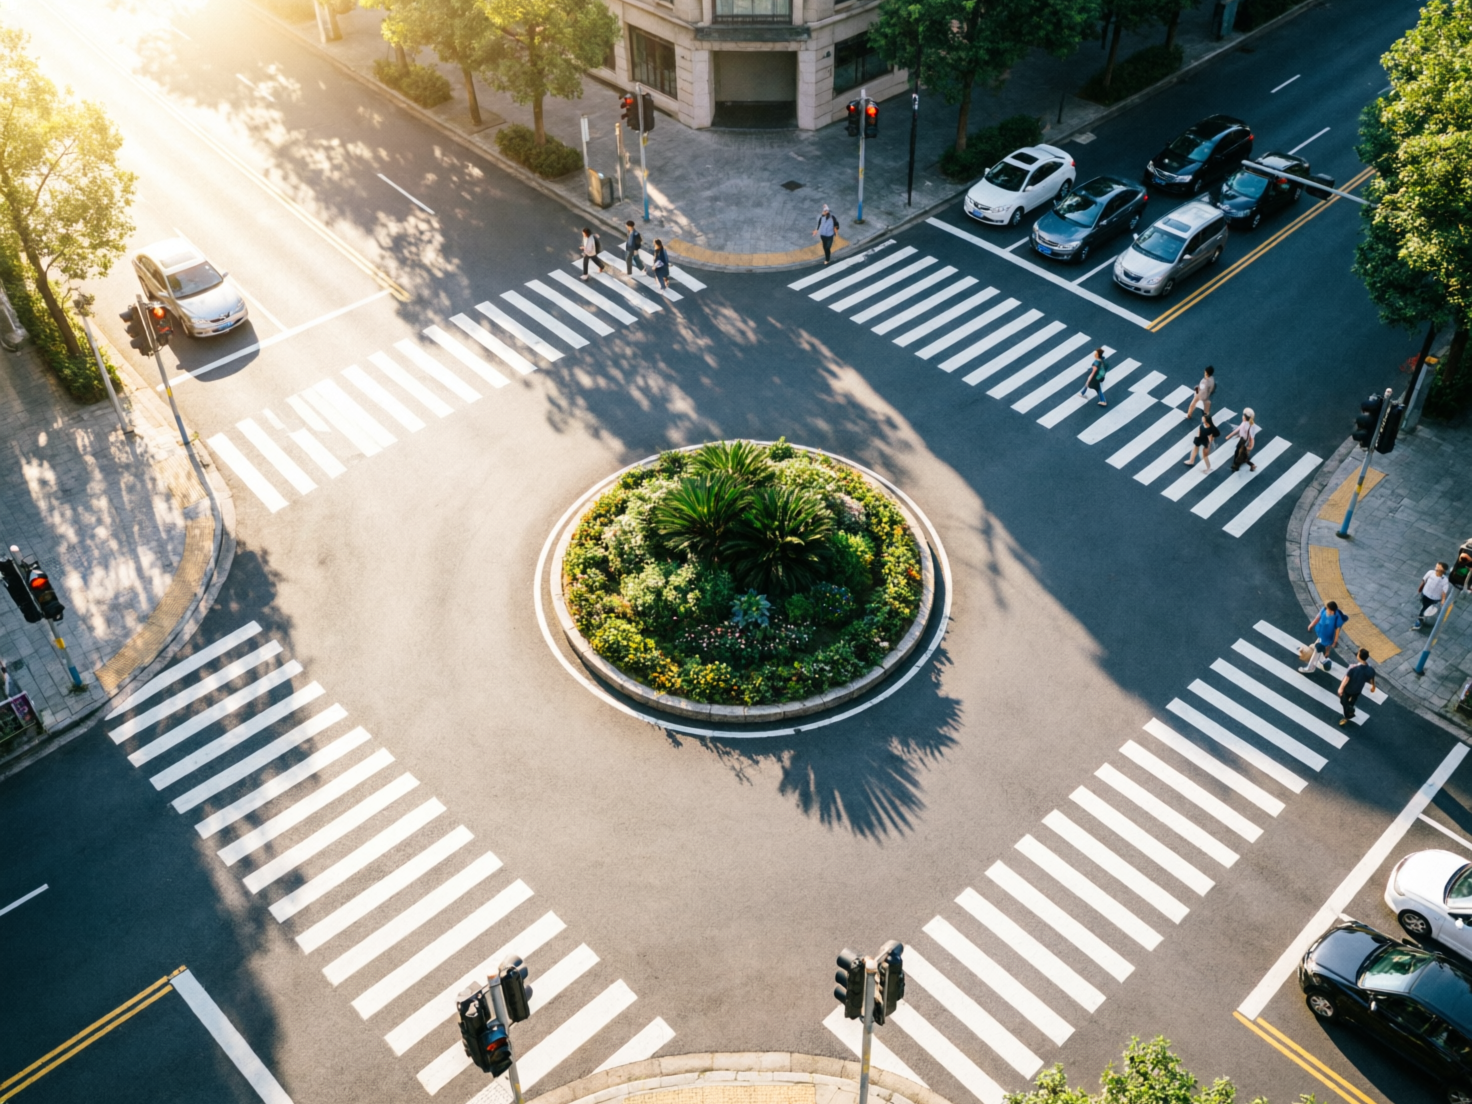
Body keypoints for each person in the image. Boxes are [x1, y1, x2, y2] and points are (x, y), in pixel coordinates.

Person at [1300, 600, 1348, 673]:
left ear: (1332, 611)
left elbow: (1337, 630)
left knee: (1317, 650)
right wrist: (1311, 625)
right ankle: (1324, 660)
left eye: (1328, 609)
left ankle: (1310, 668)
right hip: (1321, 634)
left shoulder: (1337, 618)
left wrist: (1335, 641)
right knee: (1318, 648)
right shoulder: (1324, 610)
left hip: (1327, 638)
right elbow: (1317, 618)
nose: (1326, 610)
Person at [1338, 647, 1377, 725]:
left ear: (1359, 656)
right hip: (1358, 690)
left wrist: (1340, 688)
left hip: (1348, 689)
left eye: (1358, 653)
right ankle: (1349, 709)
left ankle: (1349, 713)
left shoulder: (1353, 668)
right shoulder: (1370, 669)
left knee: (1343, 701)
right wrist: (1373, 686)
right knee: (1352, 701)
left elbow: (1346, 679)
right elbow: (1372, 677)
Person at [1414, 561, 1452, 629]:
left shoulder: (1445, 581)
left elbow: (1444, 592)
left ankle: (1419, 621)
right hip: (1425, 594)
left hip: (1434, 598)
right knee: (1424, 606)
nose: (1436, 568)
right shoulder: (1430, 573)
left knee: (1424, 609)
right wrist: (1420, 589)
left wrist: (1443, 600)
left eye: (1438, 567)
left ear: (1443, 570)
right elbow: (1424, 580)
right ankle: (1424, 614)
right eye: (1436, 567)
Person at [1226, 407, 1259, 472]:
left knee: (1238, 453)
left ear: (1246, 417)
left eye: (1244, 415)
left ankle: (1236, 465)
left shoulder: (1250, 426)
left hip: (1244, 441)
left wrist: (1250, 446)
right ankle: (1251, 465)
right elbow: (1239, 429)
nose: (1242, 416)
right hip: (1242, 439)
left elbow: (1251, 438)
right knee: (1240, 453)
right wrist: (1230, 435)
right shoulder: (1245, 423)